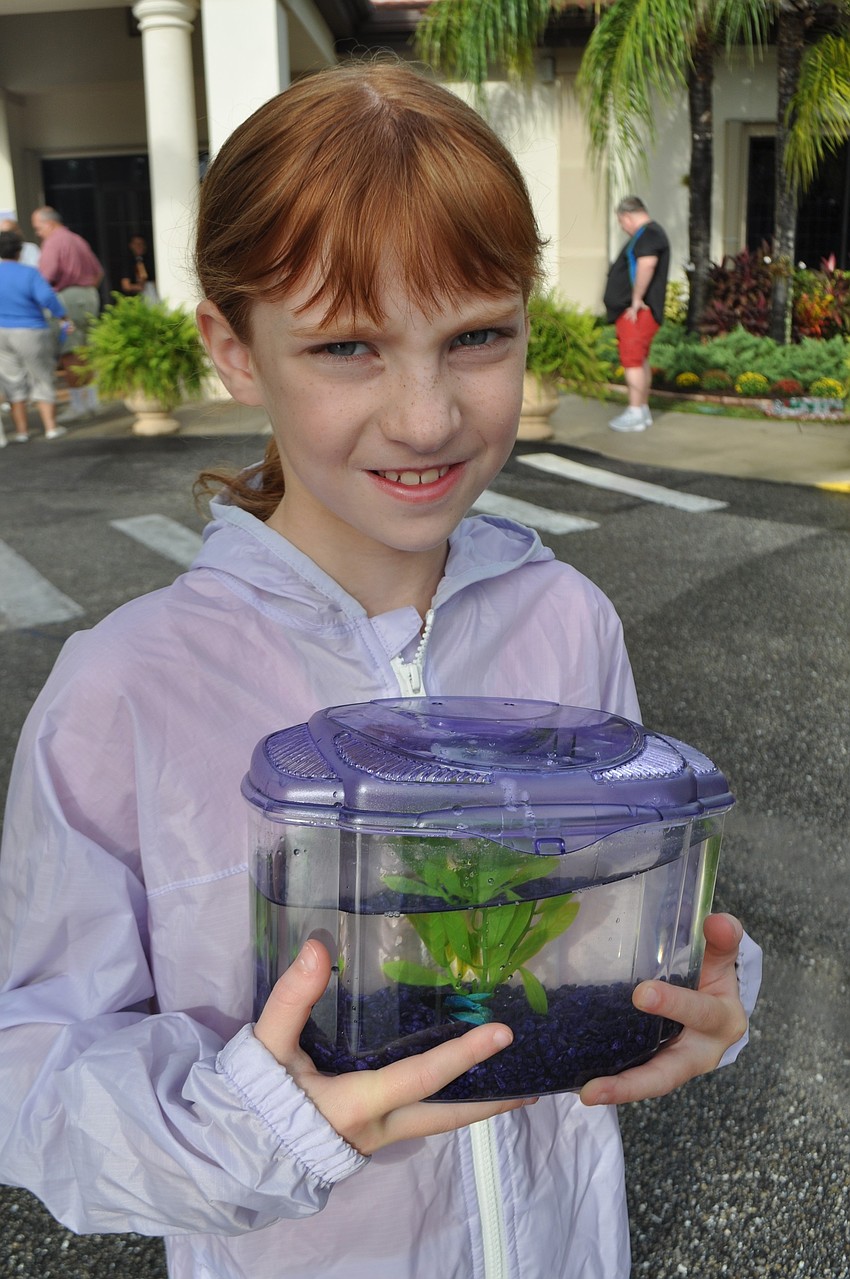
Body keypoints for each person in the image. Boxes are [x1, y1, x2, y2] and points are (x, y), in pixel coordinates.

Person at [0, 63, 760, 1279]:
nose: (424, 417)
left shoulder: (567, 620)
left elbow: (629, 895)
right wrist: (261, 1125)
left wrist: (700, 989)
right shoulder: (126, 688)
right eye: (347, 345)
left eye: (476, 337)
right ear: (233, 350)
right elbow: (32, 1064)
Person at [603, 195, 670, 433]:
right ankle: (641, 411)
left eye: (621, 222)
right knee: (639, 360)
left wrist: (636, 300)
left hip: (637, 313)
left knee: (632, 361)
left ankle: (634, 411)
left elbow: (647, 265)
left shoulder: (649, 234)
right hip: (636, 312)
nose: (622, 227)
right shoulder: (649, 234)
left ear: (626, 216)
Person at [31, 205, 104, 421]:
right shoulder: (77, 239)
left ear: (49, 223)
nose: (38, 233)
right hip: (89, 295)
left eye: (38, 228)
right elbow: (98, 272)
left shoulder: (54, 241)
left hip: (67, 299)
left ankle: (79, 405)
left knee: (70, 352)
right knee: (85, 351)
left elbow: (46, 276)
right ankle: (91, 402)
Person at [0, 228, 70, 441]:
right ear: (19, 252)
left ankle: (22, 432)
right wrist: (63, 317)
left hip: (1, 332)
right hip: (31, 330)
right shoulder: (29, 273)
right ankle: (50, 427)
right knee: (41, 376)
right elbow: (47, 298)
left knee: (12, 380)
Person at [120, 233, 158, 301]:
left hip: (151, 296)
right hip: (133, 299)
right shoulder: (127, 263)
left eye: (141, 244)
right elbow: (125, 285)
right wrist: (138, 287)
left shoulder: (151, 261)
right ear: (131, 245)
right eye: (136, 244)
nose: (139, 246)